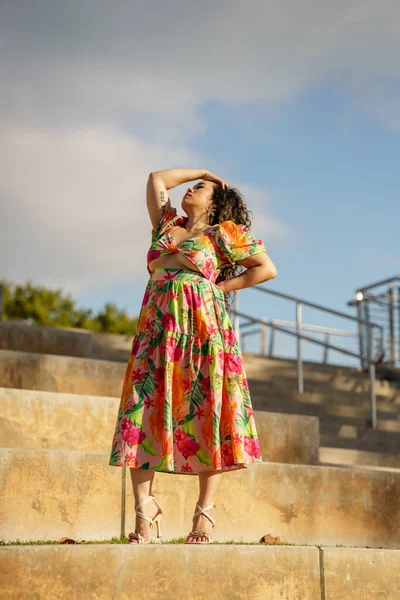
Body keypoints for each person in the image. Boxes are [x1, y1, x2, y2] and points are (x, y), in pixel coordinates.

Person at [108, 168, 278, 545]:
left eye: (199, 187)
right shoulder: (167, 225)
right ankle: (144, 512)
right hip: (156, 333)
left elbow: (266, 269)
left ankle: (204, 512)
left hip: (203, 332)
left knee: (209, 412)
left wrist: (219, 286)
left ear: (216, 203)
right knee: (140, 412)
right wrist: (201, 170)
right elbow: (156, 179)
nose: (190, 188)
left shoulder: (226, 234)